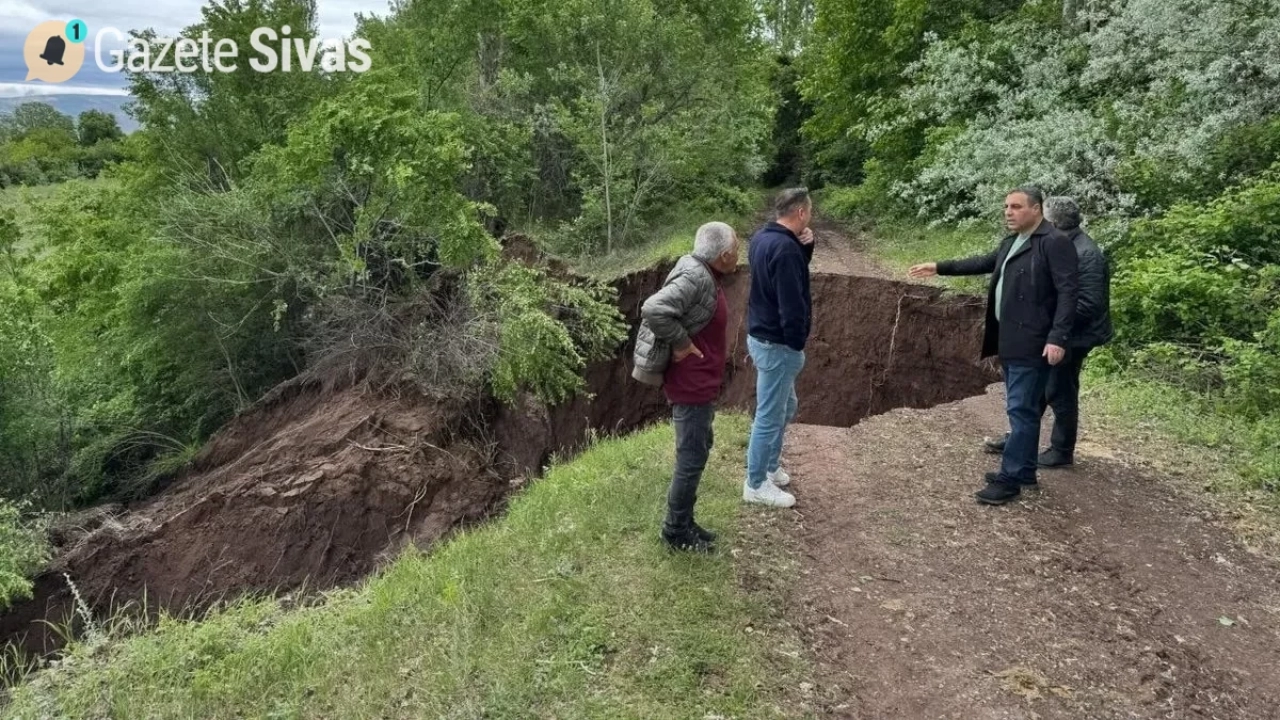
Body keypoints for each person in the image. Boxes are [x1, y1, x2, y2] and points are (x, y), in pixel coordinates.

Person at [909, 186, 1079, 505]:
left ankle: (1010, 479)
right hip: (1011, 339)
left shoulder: (1054, 243)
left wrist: (1058, 338)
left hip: (1035, 341)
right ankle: (1025, 470)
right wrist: (939, 266)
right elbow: (985, 262)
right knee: (1023, 408)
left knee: (1021, 411)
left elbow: (1069, 294)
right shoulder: (1013, 241)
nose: (1008, 212)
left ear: (1037, 209)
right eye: (1006, 207)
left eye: (1016, 207)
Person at [632, 221, 741, 553]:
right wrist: (681, 344)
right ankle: (675, 532)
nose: (739, 252)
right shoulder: (696, 277)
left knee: (698, 449)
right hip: (690, 386)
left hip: (699, 383)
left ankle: (685, 521)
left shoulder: (704, 273)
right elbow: (653, 309)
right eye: (737, 247)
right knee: (690, 458)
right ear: (724, 255)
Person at [983, 196, 1114, 467]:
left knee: (1060, 390)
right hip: (1053, 331)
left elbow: (1088, 305)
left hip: (1075, 336)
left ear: (1051, 220)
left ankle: (1061, 451)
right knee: (1036, 389)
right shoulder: (1054, 243)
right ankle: (1020, 438)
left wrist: (1050, 326)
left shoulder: (1086, 253)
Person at [742, 188, 815, 509]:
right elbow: (791, 302)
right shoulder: (785, 250)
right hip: (777, 344)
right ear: (800, 212)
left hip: (763, 337)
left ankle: (770, 467)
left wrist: (807, 248)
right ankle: (755, 483)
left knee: (785, 408)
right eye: (809, 212)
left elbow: (782, 279)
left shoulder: (762, 239)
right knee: (769, 417)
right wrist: (796, 343)